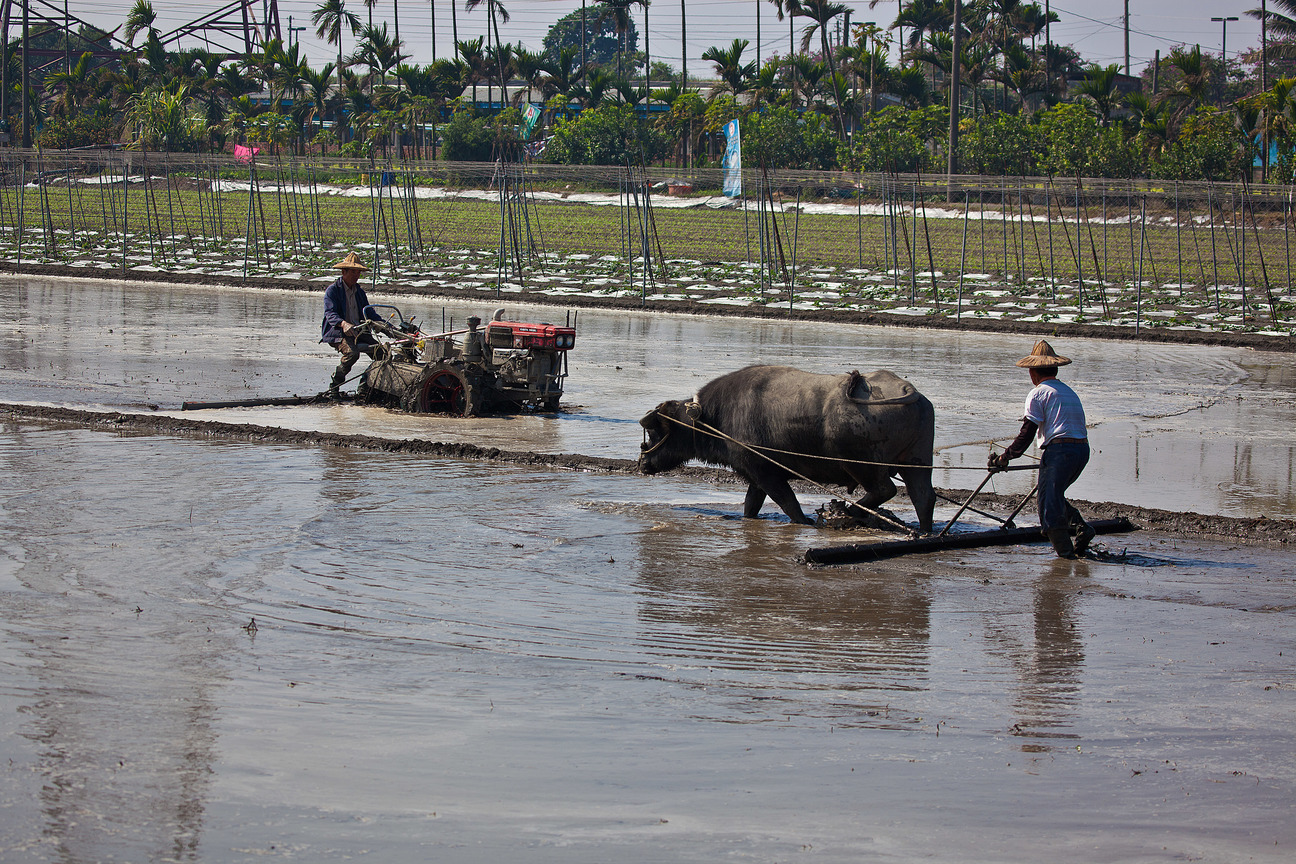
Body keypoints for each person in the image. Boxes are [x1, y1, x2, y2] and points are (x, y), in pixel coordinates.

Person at [988, 340, 1095, 559]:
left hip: (1060, 452)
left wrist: (1005, 457)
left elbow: (1027, 432)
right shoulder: (1068, 391)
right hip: (1082, 451)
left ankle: (1066, 555)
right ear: (1055, 370)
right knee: (1053, 495)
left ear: (1032, 372)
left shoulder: (1038, 394)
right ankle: (1081, 527)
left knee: (1047, 504)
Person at [320, 252, 382, 392]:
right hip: (338, 333)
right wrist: (343, 324)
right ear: (344, 272)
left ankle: (365, 386)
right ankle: (334, 386)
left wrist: (387, 327)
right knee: (352, 354)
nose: (356, 275)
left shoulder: (359, 292)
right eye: (353, 272)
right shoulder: (333, 291)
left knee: (382, 354)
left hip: (358, 332)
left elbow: (369, 313)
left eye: (358, 272)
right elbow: (330, 313)